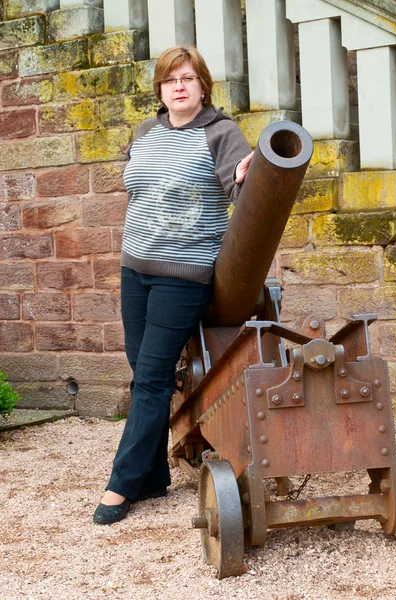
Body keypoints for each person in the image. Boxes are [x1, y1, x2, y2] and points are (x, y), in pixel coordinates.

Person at [93, 46, 253, 524]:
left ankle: (120, 485)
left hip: (182, 276)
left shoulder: (222, 134)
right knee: (142, 370)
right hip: (134, 268)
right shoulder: (146, 132)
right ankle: (154, 478)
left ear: (204, 85)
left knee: (152, 379)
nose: (178, 86)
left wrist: (249, 174)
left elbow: (240, 191)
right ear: (160, 90)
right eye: (169, 80)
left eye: (187, 78)